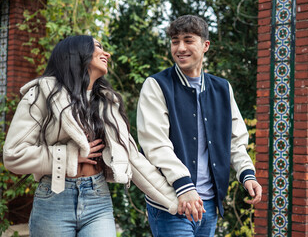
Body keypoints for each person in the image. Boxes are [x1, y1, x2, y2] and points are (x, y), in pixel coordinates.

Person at [3, 35, 180, 237]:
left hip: (98, 198)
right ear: (77, 52)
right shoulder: (41, 94)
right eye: (98, 47)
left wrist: (176, 200)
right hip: (54, 197)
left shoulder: (107, 102)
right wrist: (69, 156)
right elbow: (13, 154)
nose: (106, 53)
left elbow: (133, 158)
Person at [136, 15, 262, 236]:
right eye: (175, 41)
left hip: (208, 207)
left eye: (188, 40)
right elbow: (155, 144)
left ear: (205, 45)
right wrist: (184, 187)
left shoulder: (223, 88)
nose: (180, 48)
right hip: (171, 203)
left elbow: (234, 140)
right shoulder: (156, 85)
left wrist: (247, 173)